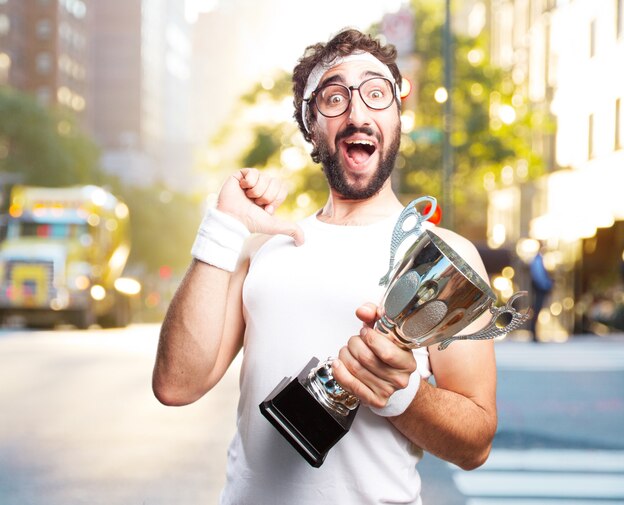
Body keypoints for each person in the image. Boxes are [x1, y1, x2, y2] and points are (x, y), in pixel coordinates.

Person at [153, 28, 497, 505]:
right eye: (334, 99)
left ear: (399, 114)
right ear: (310, 126)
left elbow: (475, 443)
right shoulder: (260, 250)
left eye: (376, 93)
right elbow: (175, 384)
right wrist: (223, 227)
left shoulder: (443, 257)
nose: (358, 113)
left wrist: (401, 393)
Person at [529, 249, 553, 341]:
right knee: (536, 310)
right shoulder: (538, 260)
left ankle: (534, 333)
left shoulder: (538, 260)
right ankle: (533, 333)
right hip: (540, 289)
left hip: (539, 288)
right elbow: (539, 276)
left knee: (536, 310)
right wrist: (547, 285)